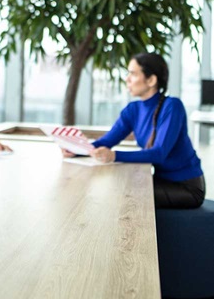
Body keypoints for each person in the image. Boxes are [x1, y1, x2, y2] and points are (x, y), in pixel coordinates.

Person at [65, 52, 205, 209]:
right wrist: (77, 149)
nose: (127, 79)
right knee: (120, 184)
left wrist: (113, 155)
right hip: (160, 180)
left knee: (125, 191)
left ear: (151, 80)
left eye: (133, 73)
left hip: (186, 187)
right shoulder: (133, 110)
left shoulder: (172, 106)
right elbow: (107, 141)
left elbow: (159, 153)